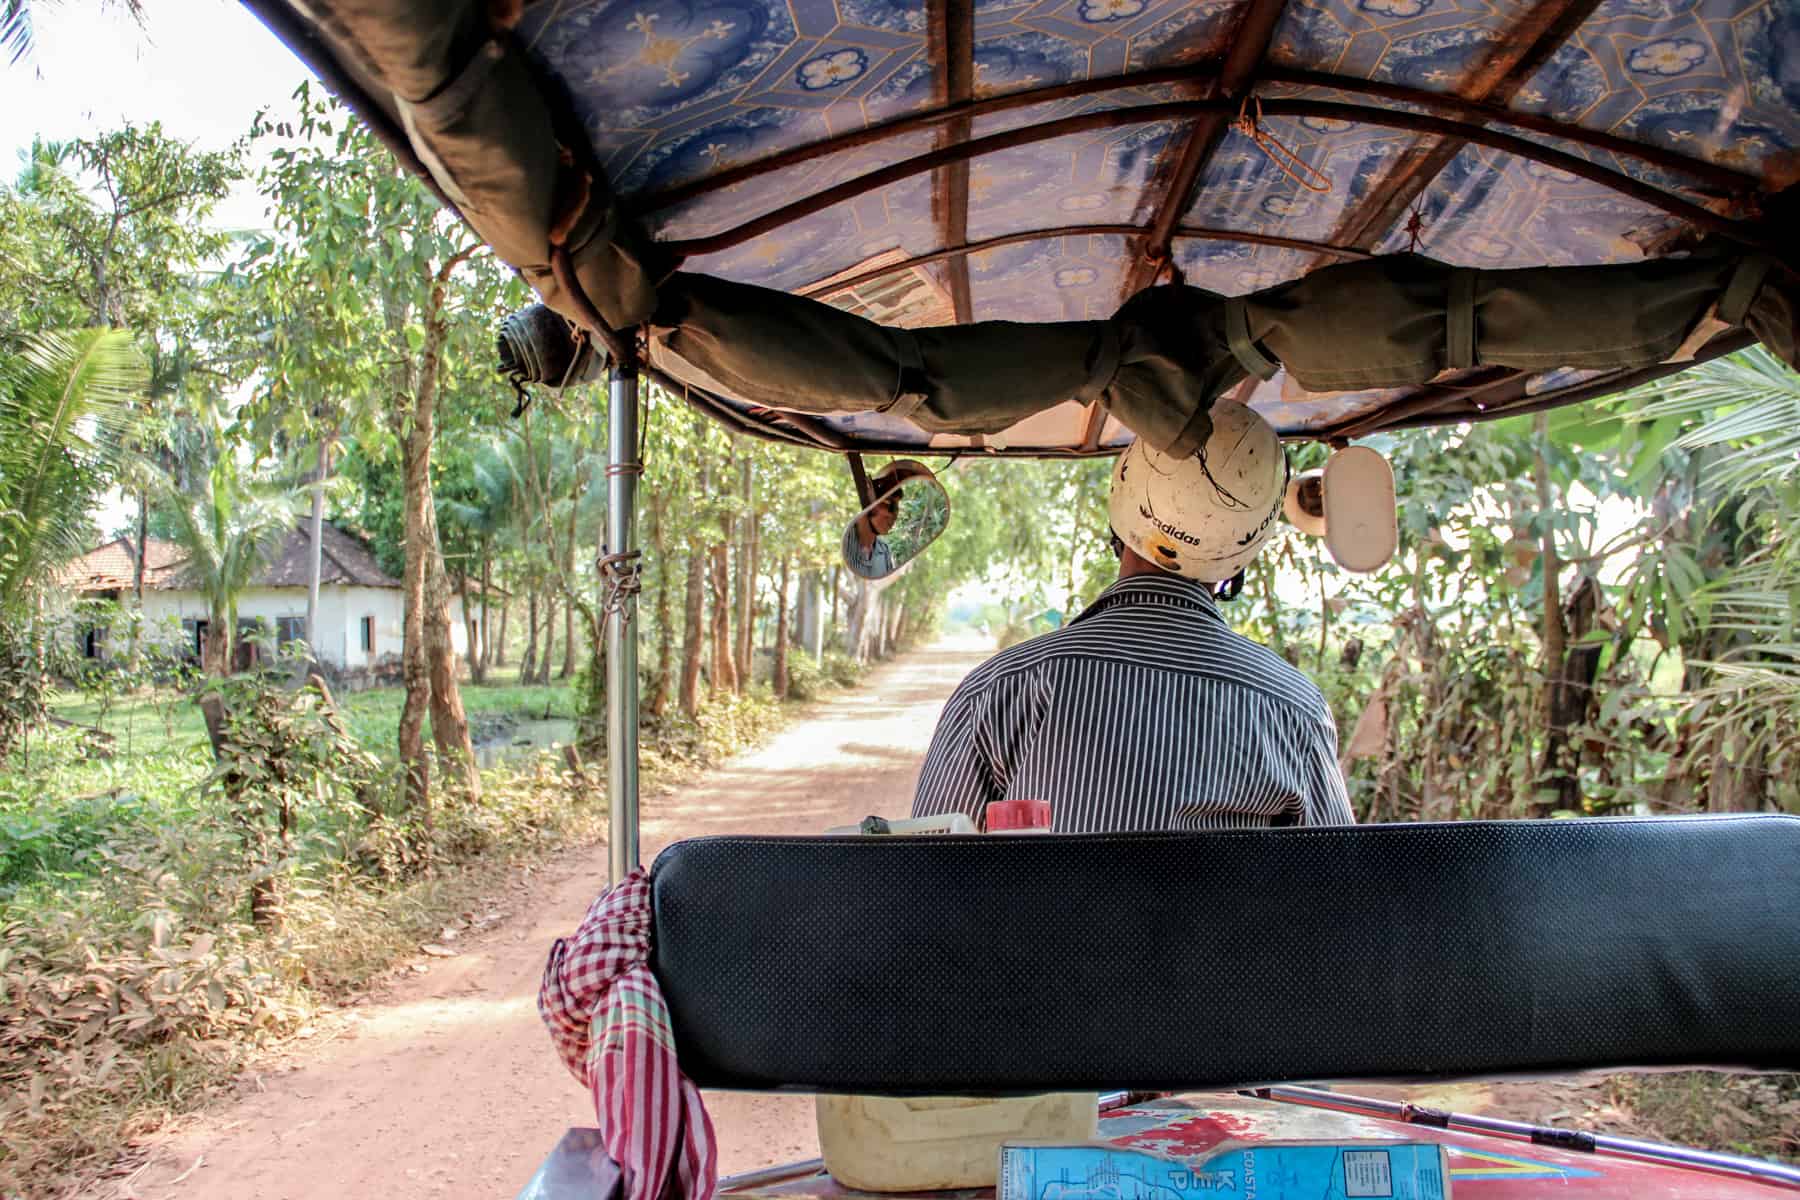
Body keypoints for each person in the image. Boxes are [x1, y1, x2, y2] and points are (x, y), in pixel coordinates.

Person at [912, 402, 1354, 832]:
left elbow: (929, 877)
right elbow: (1341, 889)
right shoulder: (1294, 709)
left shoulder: (1000, 690)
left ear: (1119, 512)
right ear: (1243, 554)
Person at [842, 469, 904, 579]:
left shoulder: (885, 552)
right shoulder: (844, 544)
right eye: (889, 505)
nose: (894, 516)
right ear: (870, 502)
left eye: (897, 509)